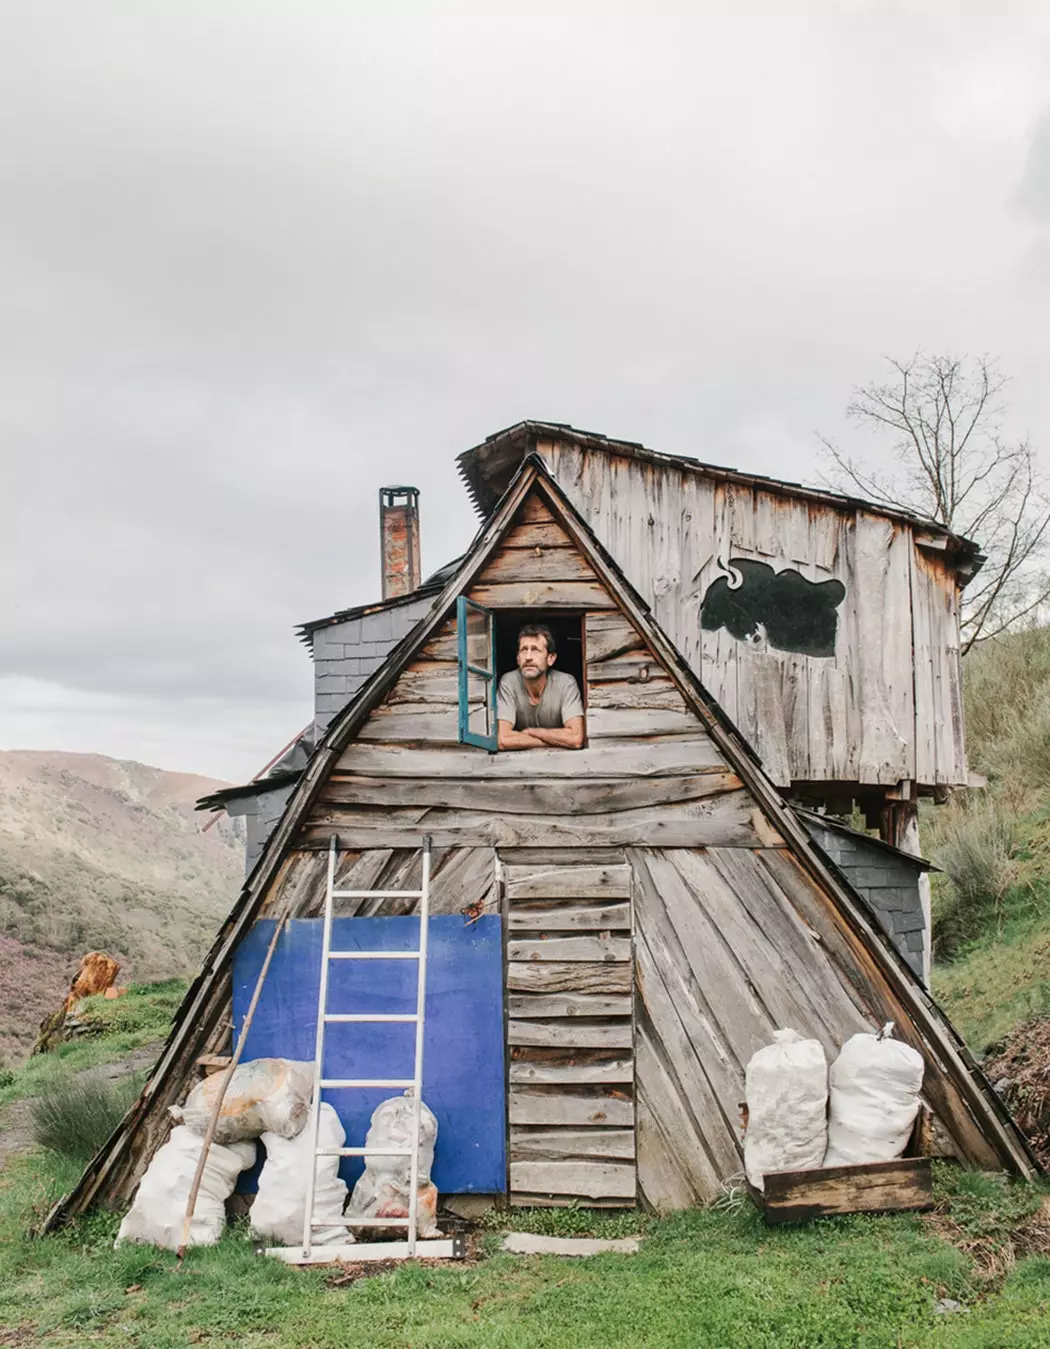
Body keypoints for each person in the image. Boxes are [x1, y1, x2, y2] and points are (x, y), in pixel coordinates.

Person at [497, 624, 585, 750]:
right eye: (523, 650)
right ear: (517, 658)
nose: (528, 657)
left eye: (535, 650)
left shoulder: (566, 683)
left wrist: (532, 732)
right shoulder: (509, 682)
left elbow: (576, 738)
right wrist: (552, 741)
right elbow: (503, 739)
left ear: (550, 658)